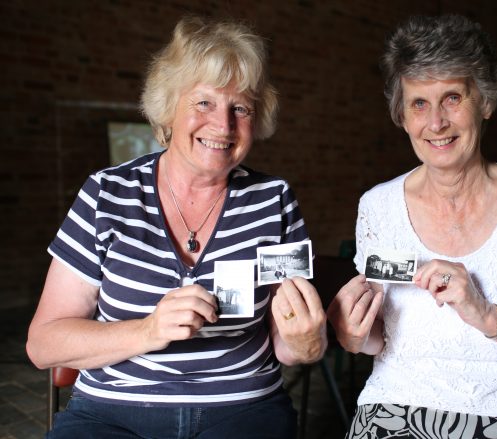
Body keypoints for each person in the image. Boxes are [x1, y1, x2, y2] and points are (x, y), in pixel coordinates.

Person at [26, 16, 327, 439]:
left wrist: (305, 342)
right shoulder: (107, 193)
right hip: (113, 410)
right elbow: (43, 345)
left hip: (241, 407)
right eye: (204, 102)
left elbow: (287, 342)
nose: (223, 126)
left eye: (239, 108)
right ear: (168, 106)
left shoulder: (272, 200)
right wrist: (149, 330)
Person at [328, 14, 497, 439]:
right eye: (419, 103)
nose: (436, 123)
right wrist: (352, 334)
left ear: (485, 101)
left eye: (452, 98)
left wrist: (486, 314)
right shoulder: (378, 207)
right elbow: (379, 341)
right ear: (402, 115)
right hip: (394, 406)